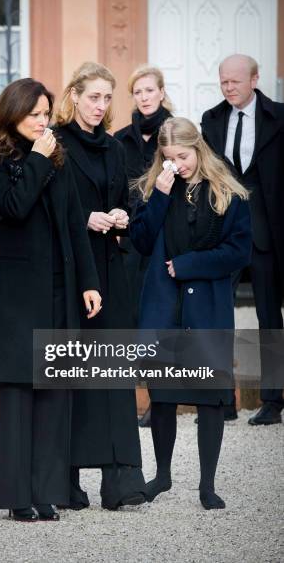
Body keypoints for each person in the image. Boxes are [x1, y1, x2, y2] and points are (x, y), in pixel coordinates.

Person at [0, 78, 101, 522]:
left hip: (60, 285)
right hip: (17, 291)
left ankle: (47, 491)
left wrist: (89, 281)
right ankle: (16, 495)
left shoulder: (55, 155)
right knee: (19, 392)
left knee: (54, 391)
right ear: (13, 114)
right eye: (35, 115)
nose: (44, 122)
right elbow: (14, 207)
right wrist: (40, 160)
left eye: (47, 114)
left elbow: (72, 222)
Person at [130, 117, 251, 510]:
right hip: (164, 309)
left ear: (197, 149)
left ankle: (207, 485)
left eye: (182, 156)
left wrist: (190, 264)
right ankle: (162, 476)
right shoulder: (157, 188)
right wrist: (160, 197)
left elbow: (239, 252)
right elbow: (142, 241)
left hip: (207, 311)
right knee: (162, 396)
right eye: (168, 158)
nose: (177, 164)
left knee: (210, 398)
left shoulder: (226, 191)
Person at [54, 61, 146, 510]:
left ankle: (122, 484)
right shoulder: (56, 143)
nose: (101, 105)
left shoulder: (113, 147)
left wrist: (122, 215)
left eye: (108, 98)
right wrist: (83, 218)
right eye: (94, 96)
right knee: (74, 374)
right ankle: (67, 482)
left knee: (114, 376)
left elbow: (123, 197)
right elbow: (49, 207)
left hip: (111, 269)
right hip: (72, 271)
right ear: (74, 94)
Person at [201, 54, 284, 426]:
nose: (229, 88)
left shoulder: (279, 117)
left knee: (269, 316)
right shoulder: (212, 120)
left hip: (269, 234)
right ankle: (222, 399)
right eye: (223, 82)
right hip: (226, 232)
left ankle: (273, 400)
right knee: (217, 314)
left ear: (255, 79)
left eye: (235, 81)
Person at [114, 64, 173, 427]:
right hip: (131, 241)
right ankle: (128, 401)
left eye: (150, 90)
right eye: (138, 92)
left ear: (162, 93)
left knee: (161, 323)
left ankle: (161, 400)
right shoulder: (120, 139)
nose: (145, 97)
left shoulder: (179, 134)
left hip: (167, 240)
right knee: (130, 321)